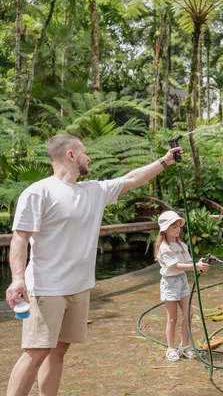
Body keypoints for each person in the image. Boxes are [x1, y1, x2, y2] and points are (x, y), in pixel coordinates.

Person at [5, 134, 183, 396]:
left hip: (80, 287)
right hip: (46, 288)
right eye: (85, 152)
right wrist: (18, 278)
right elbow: (20, 237)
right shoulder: (38, 192)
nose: (89, 157)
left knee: (59, 349)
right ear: (71, 155)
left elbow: (132, 179)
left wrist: (164, 162)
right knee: (36, 352)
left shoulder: (93, 191)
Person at [154, 210, 210, 361]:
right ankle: (171, 349)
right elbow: (178, 266)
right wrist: (196, 266)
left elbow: (187, 263)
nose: (178, 229)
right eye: (174, 227)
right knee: (172, 318)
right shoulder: (164, 248)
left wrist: (200, 264)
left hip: (182, 281)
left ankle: (184, 346)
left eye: (178, 226)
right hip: (170, 283)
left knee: (189, 314)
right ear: (165, 229)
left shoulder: (182, 245)